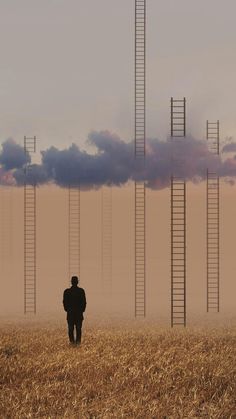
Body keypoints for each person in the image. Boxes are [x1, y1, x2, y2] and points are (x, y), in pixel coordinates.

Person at [63, 276, 87, 345]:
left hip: (70, 313)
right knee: (78, 329)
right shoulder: (81, 291)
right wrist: (82, 310)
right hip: (78, 313)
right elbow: (84, 302)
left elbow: (65, 302)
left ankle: (72, 342)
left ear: (71, 282)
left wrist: (67, 310)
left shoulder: (67, 291)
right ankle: (78, 342)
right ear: (77, 282)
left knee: (71, 329)